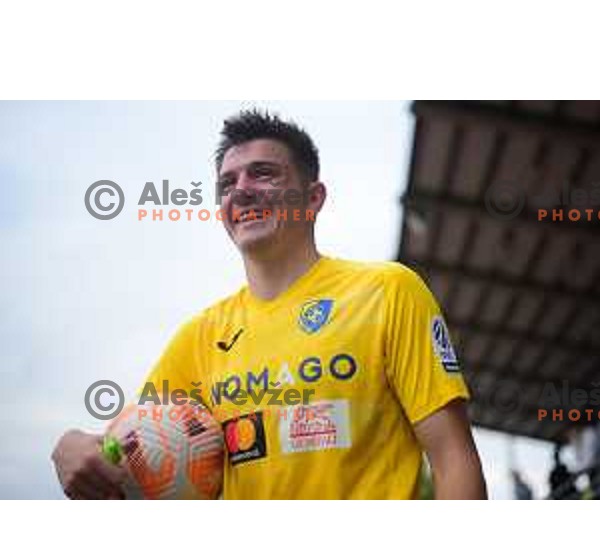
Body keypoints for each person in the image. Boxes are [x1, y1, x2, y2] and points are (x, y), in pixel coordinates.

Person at [52, 110, 487, 499]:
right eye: (227, 183)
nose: (241, 191)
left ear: (313, 198)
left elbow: (453, 460)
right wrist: (76, 445)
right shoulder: (200, 337)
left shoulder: (387, 291)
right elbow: (127, 446)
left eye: (263, 174)